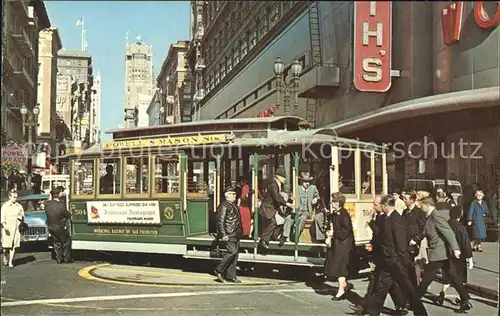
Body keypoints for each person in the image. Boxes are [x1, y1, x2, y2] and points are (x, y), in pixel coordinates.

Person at [355, 195, 427, 316]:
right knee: (381, 286)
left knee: (408, 289)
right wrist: (373, 244)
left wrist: (398, 258)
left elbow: (401, 241)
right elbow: (381, 236)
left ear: (385, 206)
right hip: (386, 260)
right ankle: (372, 312)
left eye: (381, 205)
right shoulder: (385, 218)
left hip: (396, 260)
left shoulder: (395, 218)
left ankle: (420, 313)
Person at [416, 195, 472, 313]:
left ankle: (413, 301)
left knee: (427, 278)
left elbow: (448, 232)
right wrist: (415, 239)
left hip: (439, 253)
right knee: (453, 277)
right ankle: (465, 299)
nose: (420, 208)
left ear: (427, 205)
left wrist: (456, 248)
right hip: (440, 253)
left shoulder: (436, 216)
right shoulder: (430, 216)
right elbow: (426, 232)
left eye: (421, 205)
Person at [438, 206, 473, 306]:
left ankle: (442, 293)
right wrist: (469, 258)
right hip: (458, 256)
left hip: (445, 254)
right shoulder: (460, 227)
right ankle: (461, 298)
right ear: (460, 215)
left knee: (447, 276)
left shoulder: (445, 225)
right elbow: (466, 243)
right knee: (460, 278)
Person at [323, 192, 355, 300]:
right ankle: (343, 287)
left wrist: (333, 234)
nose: (332, 203)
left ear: (338, 203)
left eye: (334, 201)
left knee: (340, 268)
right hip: (338, 244)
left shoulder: (344, 214)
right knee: (338, 268)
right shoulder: (335, 214)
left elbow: (346, 231)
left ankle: (341, 290)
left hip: (343, 246)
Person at [258, 168, 294, 249]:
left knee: (278, 221)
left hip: (272, 209)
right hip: (267, 209)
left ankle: (269, 238)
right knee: (273, 222)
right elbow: (277, 197)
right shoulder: (273, 185)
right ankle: (263, 239)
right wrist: (287, 204)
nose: (285, 179)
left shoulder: (277, 185)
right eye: (283, 177)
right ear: (278, 177)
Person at [214, 185, 243, 283]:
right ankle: (219, 270)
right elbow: (220, 221)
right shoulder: (224, 206)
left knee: (235, 255)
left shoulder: (233, 205)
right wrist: (223, 234)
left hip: (235, 234)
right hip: (229, 234)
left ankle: (231, 276)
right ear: (227, 196)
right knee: (232, 252)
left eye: (234, 194)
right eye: (232, 194)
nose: (234, 196)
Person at [283, 172, 318, 243]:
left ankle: (295, 235)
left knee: (303, 218)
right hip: (297, 210)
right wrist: (291, 198)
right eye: (305, 182)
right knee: (289, 218)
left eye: (308, 182)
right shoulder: (297, 188)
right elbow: (291, 196)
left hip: (306, 211)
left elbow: (318, 196)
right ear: (301, 181)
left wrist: (316, 199)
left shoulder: (313, 188)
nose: (307, 183)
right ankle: (286, 237)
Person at [401, 191, 427, 288]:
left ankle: (413, 288)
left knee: (410, 266)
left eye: (405, 199)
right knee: (406, 266)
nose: (404, 200)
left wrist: (416, 240)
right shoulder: (405, 212)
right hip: (404, 243)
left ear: (412, 200)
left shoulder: (419, 213)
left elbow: (424, 229)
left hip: (413, 244)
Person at [45, 187, 72, 264]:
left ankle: (59, 259)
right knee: (66, 242)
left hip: (51, 227)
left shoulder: (48, 204)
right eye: (61, 192)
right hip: (60, 227)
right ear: (58, 194)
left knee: (57, 243)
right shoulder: (61, 205)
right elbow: (67, 215)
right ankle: (67, 259)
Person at [1, 189, 24, 268]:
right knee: (5, 246)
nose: (15, 199)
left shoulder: (19, 206)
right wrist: (4, 225)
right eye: (14, 197)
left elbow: (22, 216)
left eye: (16, 197)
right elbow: (2, 217)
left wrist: (20, 219)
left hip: (16, 228)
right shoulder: (5, 206)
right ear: (9, 197)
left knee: (13, 246)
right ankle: (4, 255)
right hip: (7, 228)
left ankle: (10, 261)